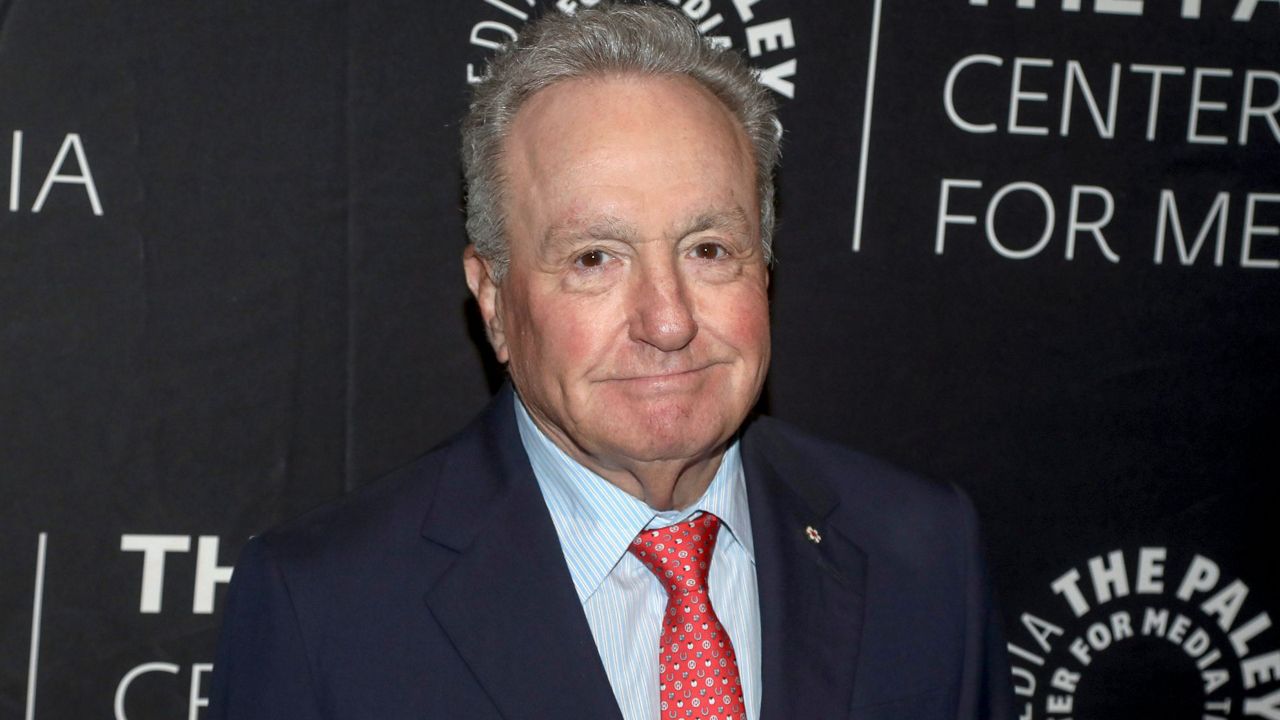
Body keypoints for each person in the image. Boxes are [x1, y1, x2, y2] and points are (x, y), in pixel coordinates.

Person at [209, 4, 1014, 719]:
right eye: (596, 258)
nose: (667, 321)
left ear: (763, 266)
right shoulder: (325, 610)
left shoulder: (923, 555)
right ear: (494, 301)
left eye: (709, 249)